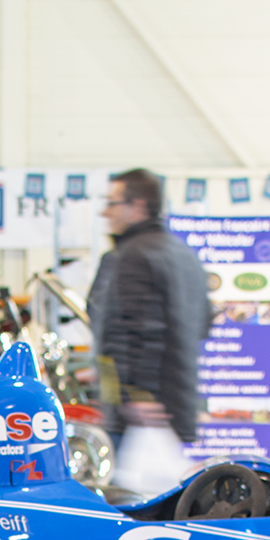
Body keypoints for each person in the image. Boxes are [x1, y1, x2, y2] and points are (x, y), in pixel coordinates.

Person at [85, 168, 213, 457]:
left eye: (112, 203)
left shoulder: (134, 255)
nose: (106, 213)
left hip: (138, 414)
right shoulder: (183, 255)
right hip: (176, 407)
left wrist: (136, 394)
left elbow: (139, 331)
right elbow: (203, 324)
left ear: (137, 206)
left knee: (126, 498)